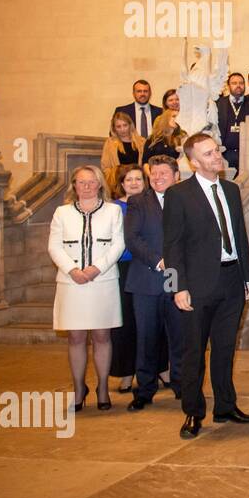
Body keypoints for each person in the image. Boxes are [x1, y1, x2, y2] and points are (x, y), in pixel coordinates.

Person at [164, 134, 249, 439]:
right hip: (197, 284)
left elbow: (240, 236)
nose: (216, 156)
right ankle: (193, 412)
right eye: (208, 153)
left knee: (225, 348)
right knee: (194, 351)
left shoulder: (230, 190)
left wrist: (247, 277)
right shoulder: (179, 195)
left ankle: (225, 406)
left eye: (216, 150)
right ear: (193, 162)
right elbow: (172, 246)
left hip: (232, 279)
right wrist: (177, 288)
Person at [49, 165, 126, 412]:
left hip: (102, 281)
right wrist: (73, 270)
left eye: (92, 182)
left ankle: (103, 387)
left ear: (100, 184)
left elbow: (117, 245)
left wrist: (96, 269)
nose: (87, 186)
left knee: (103, 336)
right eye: (82, 182)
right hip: (71, 283)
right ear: (74, 185)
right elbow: (54, 247)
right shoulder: (62, 213)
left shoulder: (113, 211)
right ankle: (78, 388)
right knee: (76, 337)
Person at [125, 155, 183, 409]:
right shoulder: (138, 202)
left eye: (164, 174)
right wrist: (159, 261)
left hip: (178, 280)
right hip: (147, 278)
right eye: (154, 174)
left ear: (176, 176)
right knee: (147, 337)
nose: (158, 179)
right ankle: (145, 390)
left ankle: (183, 386)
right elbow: (133, 238)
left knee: (180, 336)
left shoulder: (186, 200)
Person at [110, 165, 146, 394]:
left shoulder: (153, 203)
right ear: (121, 183)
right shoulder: (114, 209)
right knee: (125, 322)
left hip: (147, 266)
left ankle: (158, 368)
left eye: (138, 179)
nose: (134, 183)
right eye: (129, 179)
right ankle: (126, 372)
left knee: (150, 320)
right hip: (122, 266)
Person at [101, 110, 144, 194]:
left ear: (130, 125)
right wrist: (115, 179)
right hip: (118, 184)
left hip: (138, 184)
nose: (122, 129)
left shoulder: (141, 142)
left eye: (125, 125)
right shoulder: (110, 143)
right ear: (114, 128)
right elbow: (105, 167)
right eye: (118, 126)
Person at [216, 72, 249, 169]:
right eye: (234, 83)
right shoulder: (219, 103)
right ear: (228, 86)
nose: (238, 86)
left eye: (241, 83)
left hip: (245, 154)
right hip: (224, 153)